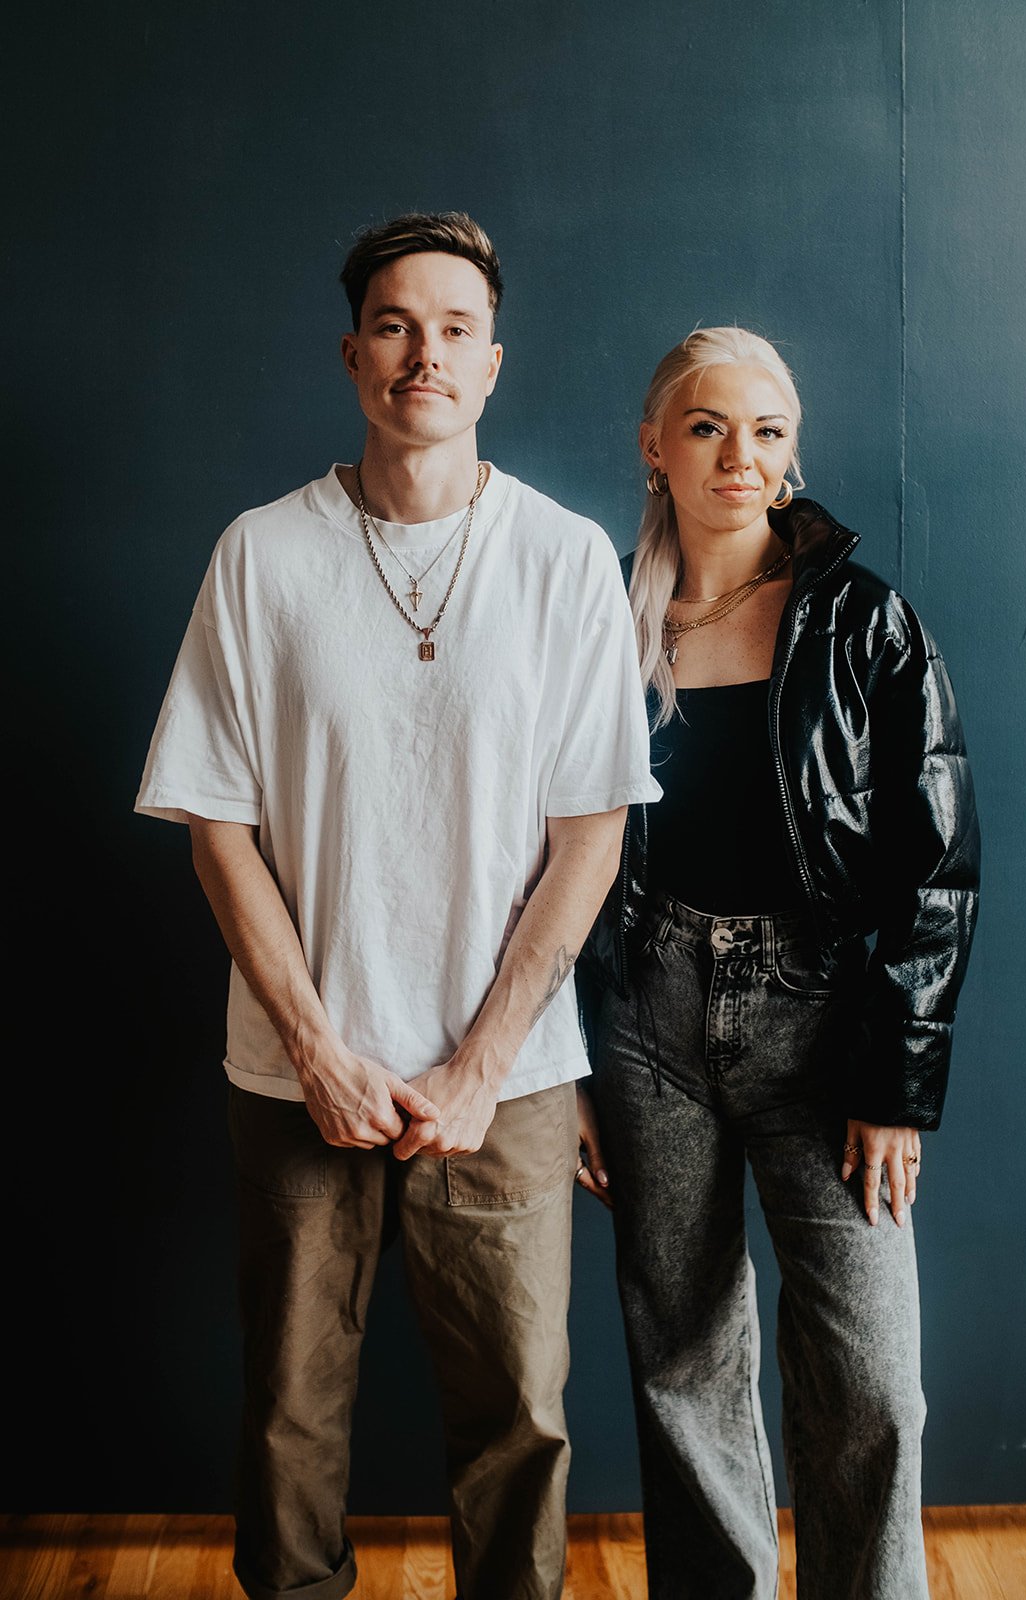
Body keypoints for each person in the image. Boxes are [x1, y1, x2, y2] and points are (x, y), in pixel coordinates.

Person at [135, 210, 661, 1600]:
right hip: (295, 1069)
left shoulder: (562, 558)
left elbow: (590, 835)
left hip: (508, 1078)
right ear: (351, 355)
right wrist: (315, 1046)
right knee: (289, 1413)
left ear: (493, 363)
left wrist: (482, 1064)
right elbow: (215, 824)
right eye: (393, 325)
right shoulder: (260, 555)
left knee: (519, 1416)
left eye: (454, 329)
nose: (423, 353)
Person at [575, 327, 979, 1600]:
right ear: (655, 448)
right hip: (644, 1019)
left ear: (791, 451)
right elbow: (546, 857)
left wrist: (895, 1086)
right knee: (682, 1364)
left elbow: (938, 863)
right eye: (706, 427)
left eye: (764, 431)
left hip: (821, 1021)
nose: (737, 455)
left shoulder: (864, 621)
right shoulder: (595, 620)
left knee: (871, 1381)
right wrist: (565, 1059)